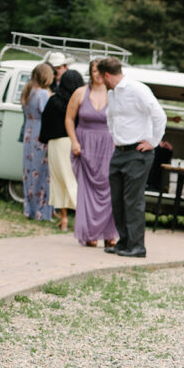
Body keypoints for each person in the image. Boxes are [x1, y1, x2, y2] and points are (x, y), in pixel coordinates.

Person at [99, 56, 166, 258]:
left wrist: (153, 141)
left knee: (133, 200)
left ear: (107, 75)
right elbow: (111, 117)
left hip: (138, 152)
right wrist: (115, 137)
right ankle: (124, 241)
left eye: (101, 77)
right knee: (117, 199)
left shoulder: (137, 89)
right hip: (119, 151)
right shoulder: (112, 94)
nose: (100, 81)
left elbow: (159, 115)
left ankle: (137, 246)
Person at [66, 59, 118, 248]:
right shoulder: (80, 93)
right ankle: (89, 233)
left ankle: (109, 233)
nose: (97, 74)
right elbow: (70, 119)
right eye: (94, 71)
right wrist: (74, 141)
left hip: (107, 146)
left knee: (109, 189)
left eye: (101, 71)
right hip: (85, 146)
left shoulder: (114, 94)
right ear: (90, 72)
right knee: (87, 191)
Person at [39, 69, 84, 231]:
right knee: (73, 180)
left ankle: (64, 218)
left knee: (59, 181)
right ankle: (83, 217)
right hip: (73, 142)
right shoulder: (80, 102)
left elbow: (45, 122)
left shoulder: (54, 101)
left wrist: (45, 139)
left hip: (55, 143)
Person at [19, 62, 55, 221]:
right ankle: (42, 210)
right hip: (40, 132)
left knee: (29, 171)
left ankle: (30, 208)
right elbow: (47, 113)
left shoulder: (27, 91)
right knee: (42, 172)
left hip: (29, 131)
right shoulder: (43, 94)